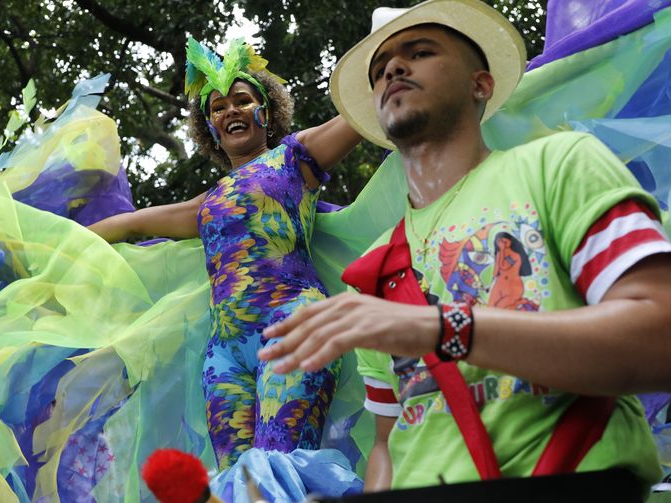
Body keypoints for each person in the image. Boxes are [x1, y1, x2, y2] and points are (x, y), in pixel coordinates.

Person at [259, 0, 671, 496]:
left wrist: (440, 327)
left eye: (421, 51)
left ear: (481, 84)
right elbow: (389, 440)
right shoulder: (373, 272)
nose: (392, 67)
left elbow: (659, 334)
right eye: (380, 68)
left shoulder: (559, 163)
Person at [90, 37, 363, 476]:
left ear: (266, 112)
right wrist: (32, 251)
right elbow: (130, 224)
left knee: (279, 466)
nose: (230, 111)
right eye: (217, 108)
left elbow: (361, 113)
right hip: (225, 355)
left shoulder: (295, 159)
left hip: (293, 326)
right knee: (232, 480)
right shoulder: (205, 203)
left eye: (242, 100)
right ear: (211, 128)